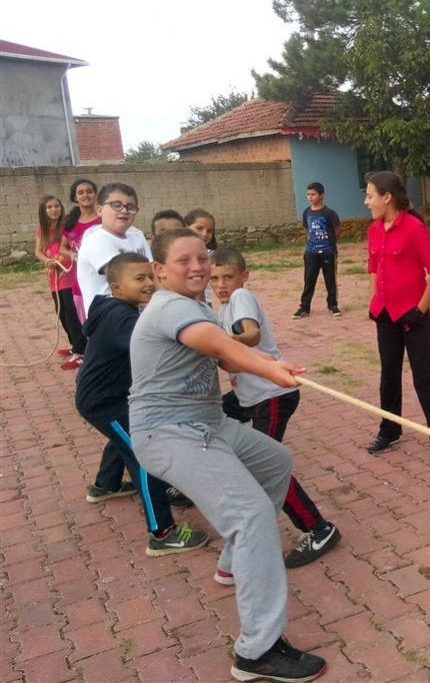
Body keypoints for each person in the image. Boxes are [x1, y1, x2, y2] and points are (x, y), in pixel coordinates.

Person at [127, 228, 326, 682]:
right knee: (251, 514)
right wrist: (271, 371)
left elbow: (227, 358)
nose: (197, 267)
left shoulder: (198, 306)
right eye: (184, 261)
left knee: (275, 461)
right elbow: (218, 345)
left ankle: (234, 563)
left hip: (209, 425)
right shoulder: (169, 308)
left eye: (202, 257)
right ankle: (257, 652)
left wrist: (273, 363)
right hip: (169, 432)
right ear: (159, 270)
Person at [210, 247, 341, 571]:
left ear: (244, 276)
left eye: (228, 276)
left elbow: (250, 334)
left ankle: (319, 529)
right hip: (248, 397)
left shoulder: (241, 298)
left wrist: (220, 345)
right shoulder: (222, 308)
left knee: (268, 466)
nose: (221, 284)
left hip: (271, 396)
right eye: (215, 278)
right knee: (213, 420)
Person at [75, 252, 209, 553]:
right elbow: (154, 348)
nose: (149, 283)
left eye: (150, 276)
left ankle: (105, 485)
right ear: (116, 288)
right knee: (144, 454)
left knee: (124, 438)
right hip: (103, 402)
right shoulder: (122, 317)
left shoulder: (116, 308)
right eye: (139, 279)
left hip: (109, 397)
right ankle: (162, 533)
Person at [364, 171, 430, 463]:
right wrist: (373, 302)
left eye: (370, 195)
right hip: (385, 314)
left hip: (412, 315)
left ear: (387, 197)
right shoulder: (374, 230)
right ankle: (389, 430)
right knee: (388, 375)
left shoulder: (414, 228)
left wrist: (420, 309)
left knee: (424, 376)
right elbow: (373, 268)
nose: (367, 201)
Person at [75, 183, 151, 317]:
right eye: (116, 205)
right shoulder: (96, 239)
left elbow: (153, 273)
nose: (124, 210)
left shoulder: (137, 235)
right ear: (99, 210)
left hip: (139, 315)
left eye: (131, 207)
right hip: (110, 318)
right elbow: (124, 278)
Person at [34, 194, 86, 370]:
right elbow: (39, 252)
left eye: (56, 206)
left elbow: (71, 248)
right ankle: (75, 345)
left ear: (61, 208)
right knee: (62, 313)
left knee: (72, 314)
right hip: (54, 277)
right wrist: (47, 261)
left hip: (70, 275)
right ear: (44, 210)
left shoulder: (67, 226)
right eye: (49, 207)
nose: (53, 210)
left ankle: (82, 351)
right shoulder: (42, 229)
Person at [293, 182, 342, 318]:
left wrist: (329, 244)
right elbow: (307, 229)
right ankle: (304, 307)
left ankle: (333, 305)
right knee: (309, 280)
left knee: (330, 280)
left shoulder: (329, 213)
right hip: (311, 253)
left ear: (321, 195)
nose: (310, 197)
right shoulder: (307, 212)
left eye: (313, 194)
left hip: (328, 252)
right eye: (308, 194)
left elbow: (337, 230)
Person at [62, 178, 101, 323]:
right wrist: (72, 254)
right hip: (80, 280)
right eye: (81, 193)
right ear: (75, 197)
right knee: (85, 322)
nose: (85, 195)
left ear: (95, 194)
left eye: (89, 191)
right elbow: (62, 247)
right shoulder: (70, 222)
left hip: (102, 278)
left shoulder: (104, 219)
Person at [185, 208, 217, 304]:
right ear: (186, 227)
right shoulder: (174, 255)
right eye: (199, 228)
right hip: (183, 303)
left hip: (205, 303)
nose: (204, 234)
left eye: (209, 231)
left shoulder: (212, 256)